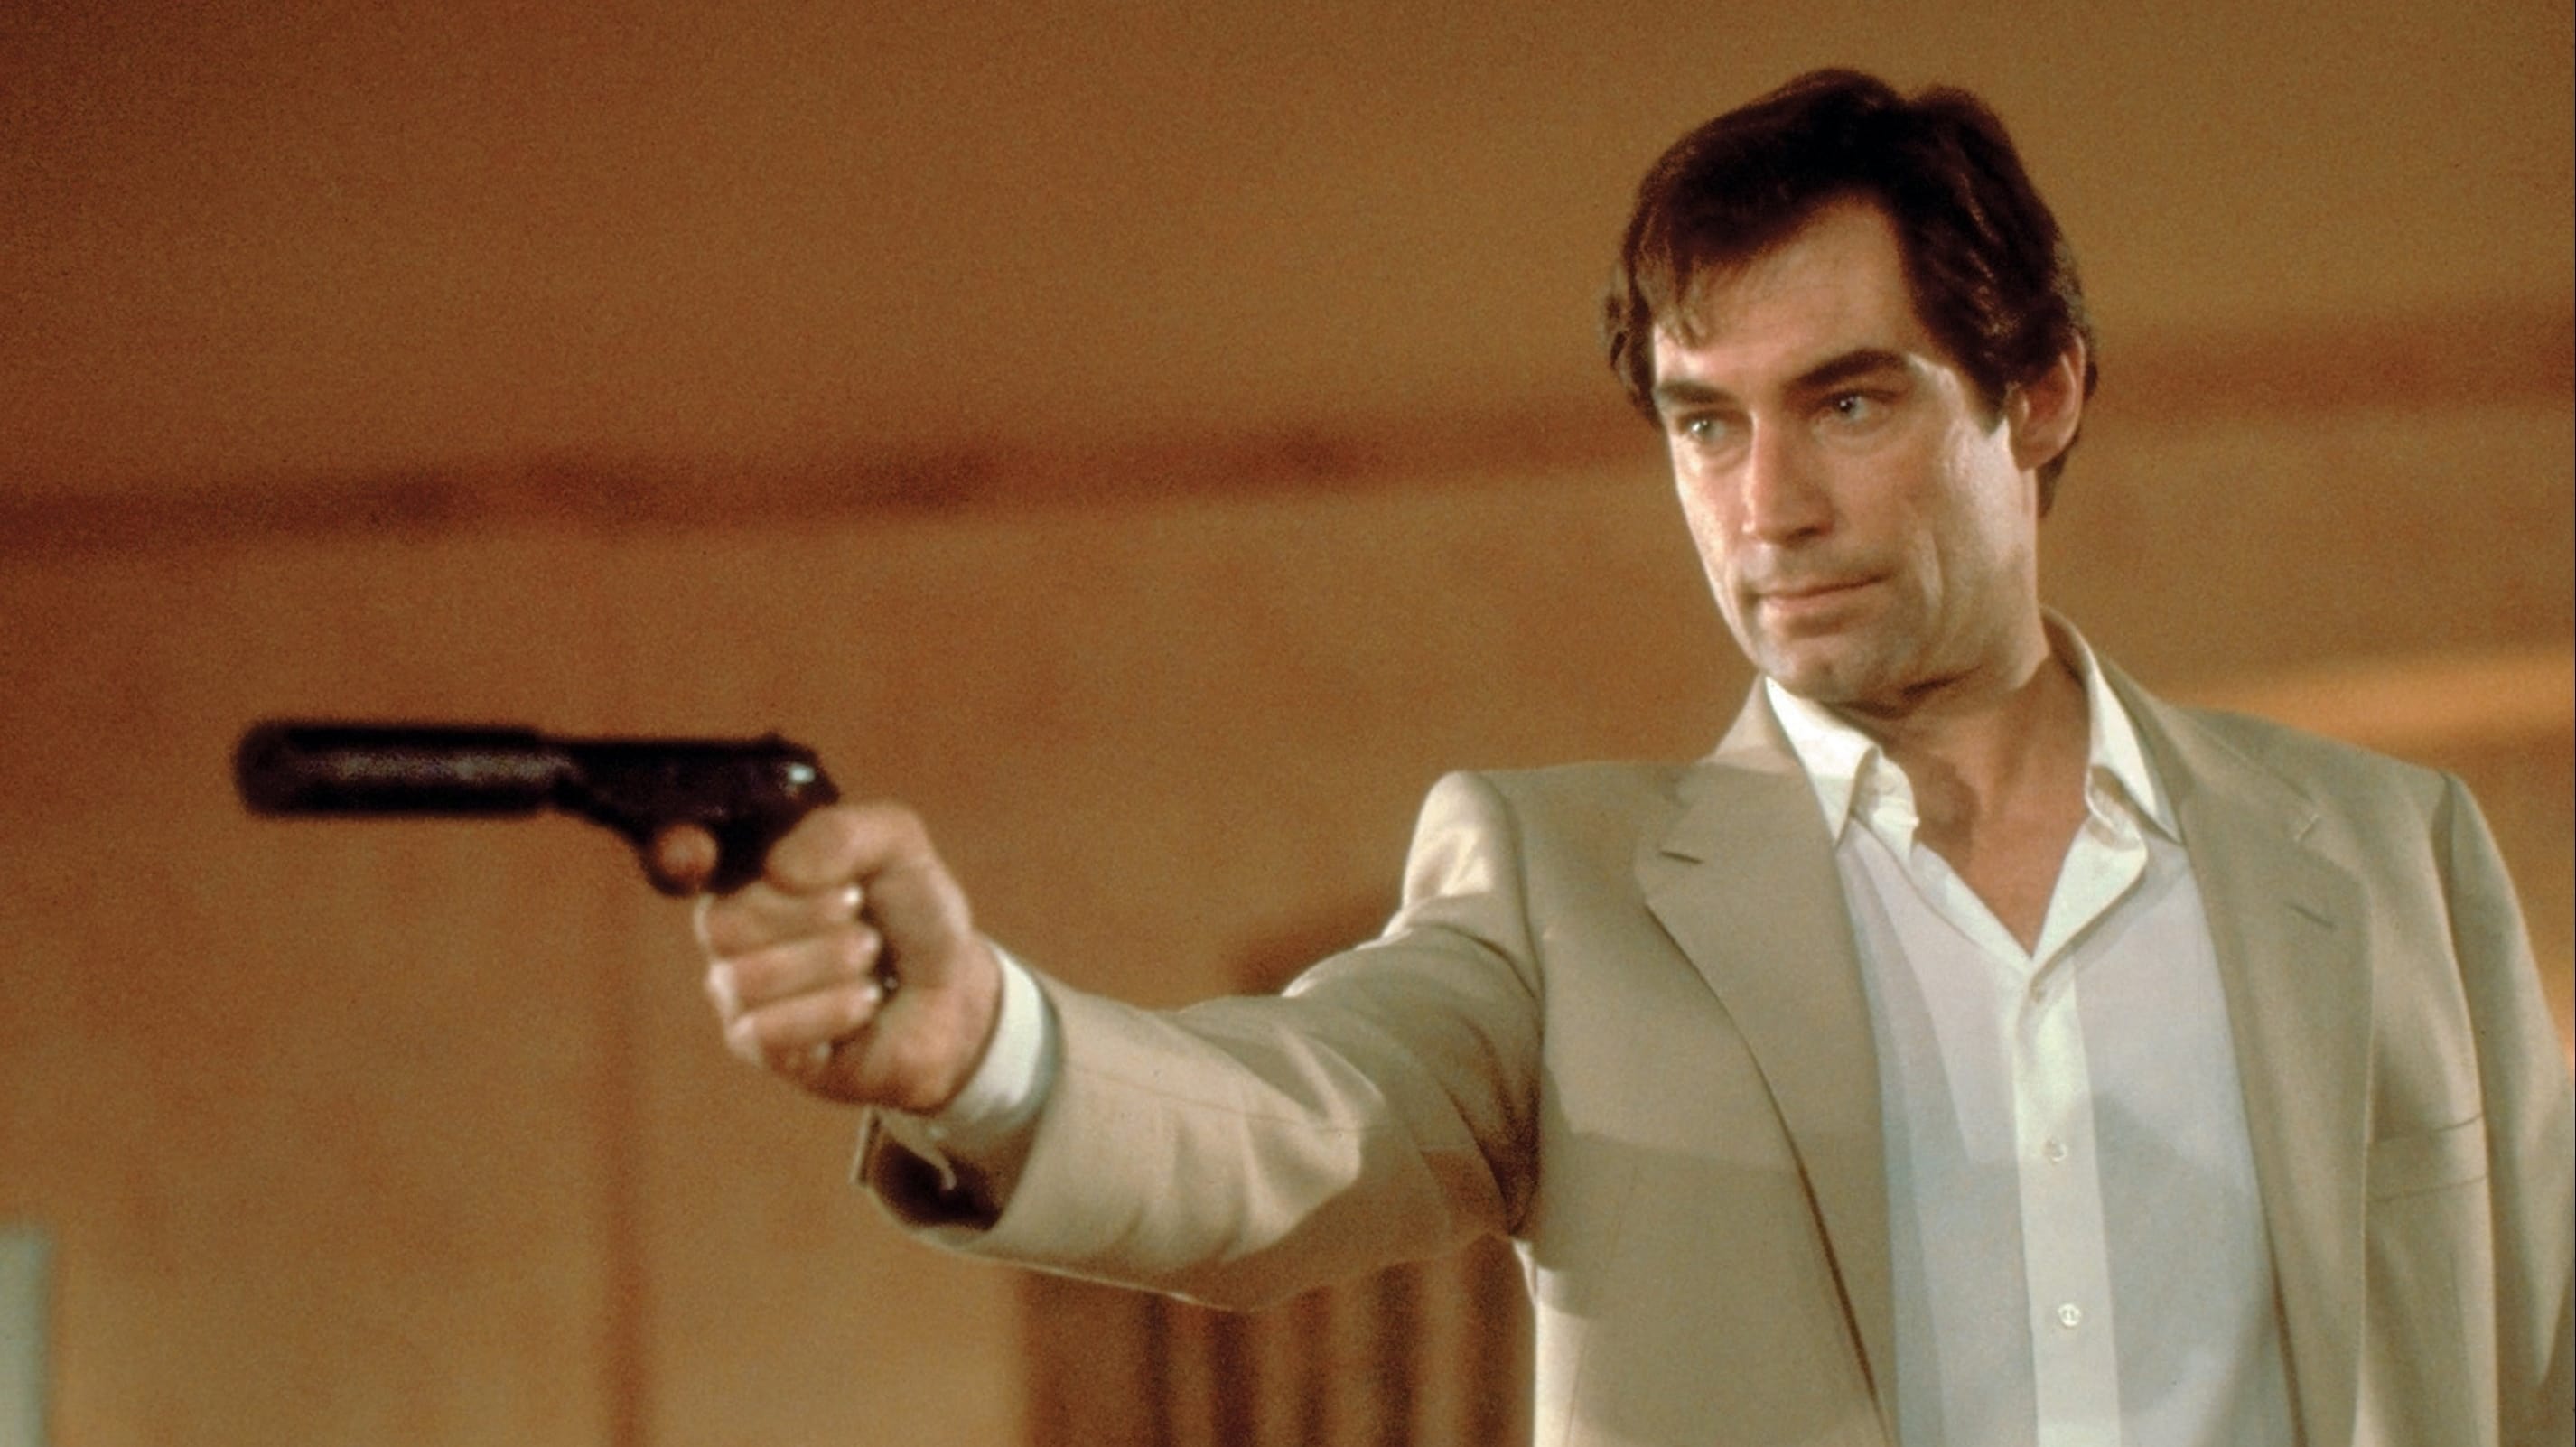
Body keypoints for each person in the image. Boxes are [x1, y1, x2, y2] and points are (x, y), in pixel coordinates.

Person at [672, 70, 2574, 1447]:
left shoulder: (2388, 851)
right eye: (1703, 425)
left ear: (2042, 388)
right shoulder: (1561, 896)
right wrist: (989, 1051)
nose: (1767, 508)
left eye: (1846, 403)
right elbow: (1286, 1123)